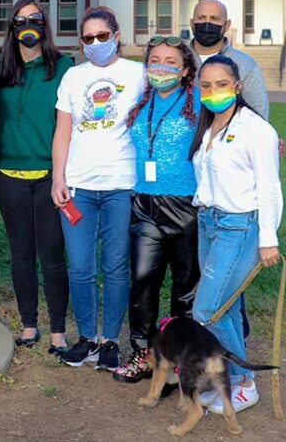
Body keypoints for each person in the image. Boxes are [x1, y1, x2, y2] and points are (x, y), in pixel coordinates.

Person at [51, 7, 145, 371]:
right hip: (79, 187)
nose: (95, 44)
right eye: (87, 38)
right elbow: (63, 130)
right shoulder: (74, 77)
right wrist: (59, 178)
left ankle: (110, 341)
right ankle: (87, 337)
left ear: (116, 35)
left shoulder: (137, 75)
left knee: (117, 267)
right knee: (80, 266)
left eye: (102, 36)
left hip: (122, 185)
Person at [190, 55, 282, 416]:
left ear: (238, 86)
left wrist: (268, 238)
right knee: (225, 309)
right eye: (206, 85)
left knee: (207, 310)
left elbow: (270, 187)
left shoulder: (256, 130)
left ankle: (246, 382)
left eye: (222, 84)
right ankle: (232, 379)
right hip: (209, 223)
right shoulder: (208, 125)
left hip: (239, 226)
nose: (214, 92)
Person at [112, 36, 201, 383]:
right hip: (145, 205)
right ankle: (142, 354)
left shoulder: (198, 101)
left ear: (184, 70)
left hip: (186, 206)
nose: (161, 67)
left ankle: (179, 362)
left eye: (170, 62)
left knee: (185, 287)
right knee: (144, 282)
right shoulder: (140, 101)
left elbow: (237, 123)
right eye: (155, 60)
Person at [0, 0, 73, 353]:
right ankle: (28, 324)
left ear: (44, 23)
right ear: (12, 26)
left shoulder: (64, 67)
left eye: (35, 18)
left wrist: (61, 174)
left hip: (49, 177)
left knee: (51, 253)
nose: (28, 25)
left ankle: (57, 330)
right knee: (20, 252)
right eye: (20, 20)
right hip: (8, 174)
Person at [189, 0, 269, 119]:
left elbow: (258, 111)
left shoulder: (245, 64)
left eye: (214, 19)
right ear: (191, 23)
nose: (207, 24)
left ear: (226, 25)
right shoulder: (178, 59)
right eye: (201, 18)